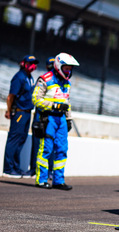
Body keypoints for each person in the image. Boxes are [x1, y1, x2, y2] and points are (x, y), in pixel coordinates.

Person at [32, 53, 79, 190]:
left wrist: (69, 118)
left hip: (62, 120)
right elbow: (36, 99)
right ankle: (41, 180)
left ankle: (58, 181)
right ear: (59, 66)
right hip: (48, 118)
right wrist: (54, 106)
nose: (68, 71)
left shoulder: (67, 83)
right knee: (45, 149)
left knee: (62, 150)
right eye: (66, 68)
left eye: (70, 69)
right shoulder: (45, 79)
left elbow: (67, 102)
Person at [3, 55, 38, 178]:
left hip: (27, 112)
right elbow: (11, 96)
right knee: (14, 139)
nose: (33, 65)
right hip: (19, 112)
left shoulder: (29, 77)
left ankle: (16, 167)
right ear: (23, 63)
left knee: (21, 139)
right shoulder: (19, 77)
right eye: (30, 63)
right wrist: (9, 110)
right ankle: (8, 168)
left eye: (34, 63)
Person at [30, 56, 56, 177]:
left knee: (50, 144)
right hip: (41, 116)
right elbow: (37, 99)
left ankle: (49, 170)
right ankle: (35, 169)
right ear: (46, 67)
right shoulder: (44, 80)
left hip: (52, 117)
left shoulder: (58, 81)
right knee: (37, 143)